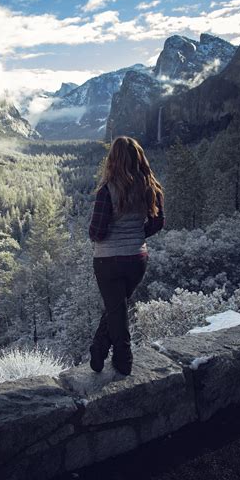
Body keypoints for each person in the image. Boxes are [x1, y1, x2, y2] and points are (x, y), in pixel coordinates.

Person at [88, 136, 165, 375]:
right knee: (117, 309)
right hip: (137, 259)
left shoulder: (106, 190)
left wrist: (106, 235)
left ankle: (124, 362)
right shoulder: (151, 187)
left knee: (116, 310)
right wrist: (135, 235)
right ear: (139, 158)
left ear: (113, 160)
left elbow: (97, 233)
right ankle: (98, 350)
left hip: (108, 261)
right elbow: (157, 223)